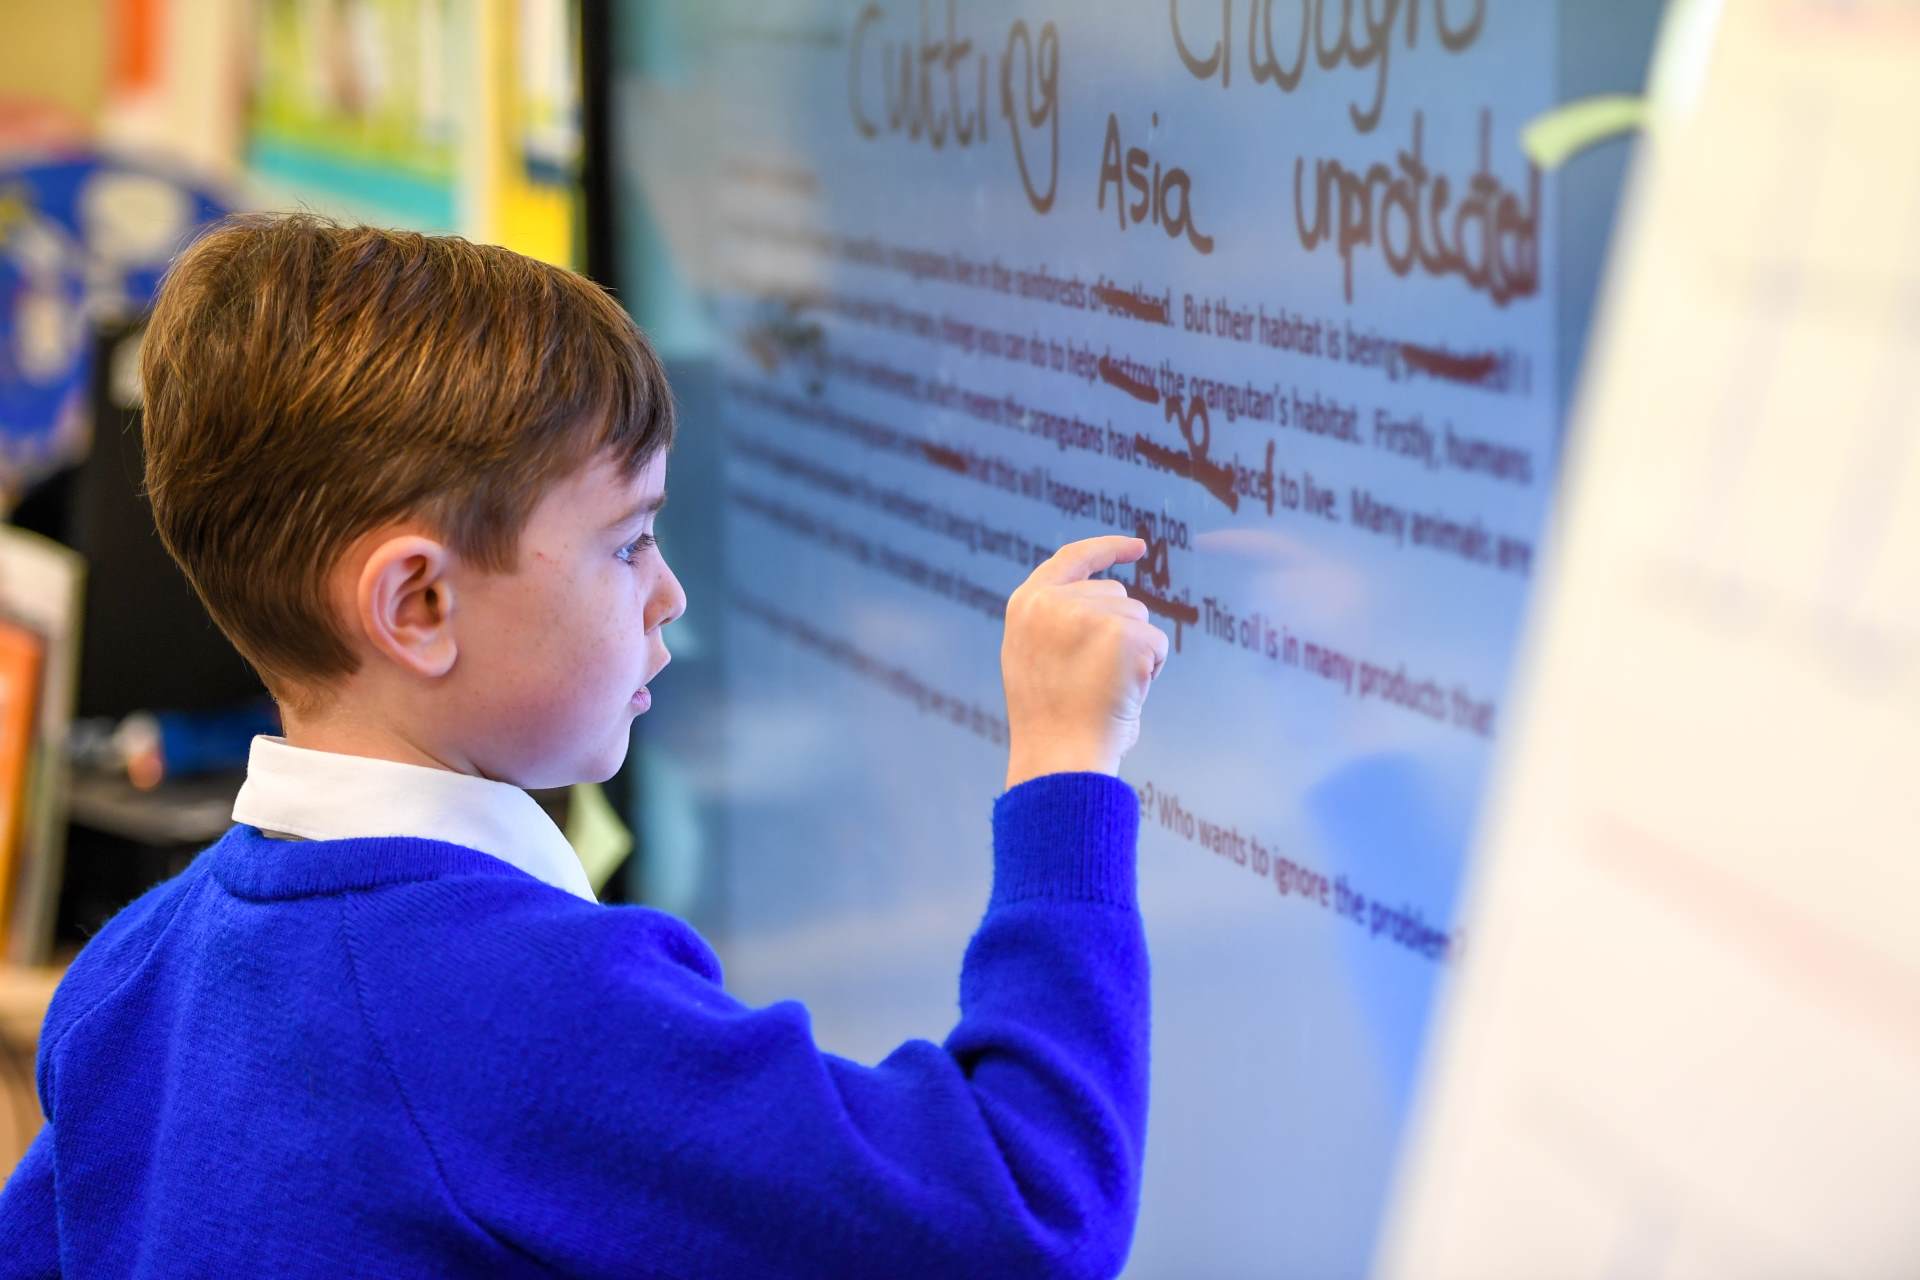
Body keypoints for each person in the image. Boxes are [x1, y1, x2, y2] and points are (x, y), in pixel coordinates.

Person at [0, 213, 1169, 1278]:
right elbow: (1027, 1212)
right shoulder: (522, 1010)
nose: (668, 594)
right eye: (628, 542)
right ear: (417, 606)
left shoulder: (130, 971)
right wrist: (1065, 764)